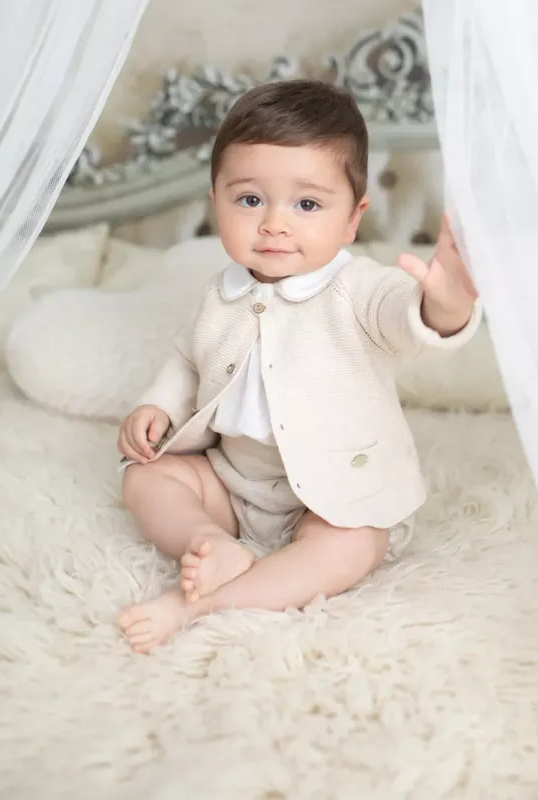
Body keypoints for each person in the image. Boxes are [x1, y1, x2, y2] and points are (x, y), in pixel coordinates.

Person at [117, 80, 481, 652]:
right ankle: (212, 543)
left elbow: (405, 318)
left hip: (334, 494)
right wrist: (158, 404)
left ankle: (200, 604)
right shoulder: (221, 293)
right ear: (216, 201)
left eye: (307, 204)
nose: (274, 223)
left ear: (353, 219)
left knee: (354, 544)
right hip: (235, 482)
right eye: (250, 200)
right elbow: (188, 358)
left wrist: (447, 304)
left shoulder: (357, 288)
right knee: (146, 478)